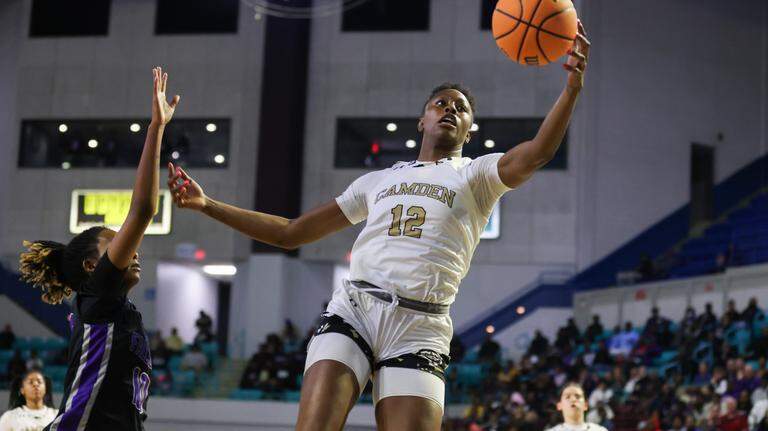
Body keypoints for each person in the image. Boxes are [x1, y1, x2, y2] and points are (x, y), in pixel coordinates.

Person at [168, 23, 590, 430]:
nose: (450, 109)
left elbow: (538, 152)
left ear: (469, 130)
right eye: (441, 103)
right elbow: (290, 232)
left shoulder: (476, 176)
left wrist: (571, 87)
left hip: (420, 327)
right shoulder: (377, 181)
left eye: (460, 108)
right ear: (422, 121)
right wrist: (207, 205)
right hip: (356, 309)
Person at [20, 68, 180, 431]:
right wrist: (156, 128)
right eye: (118, 241)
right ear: (93, 266)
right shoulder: (97, 297)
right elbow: (143, 209)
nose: (133, 249)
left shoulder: (120, 310)